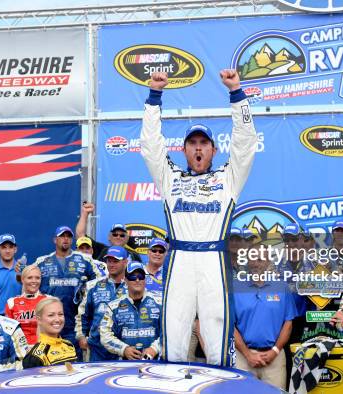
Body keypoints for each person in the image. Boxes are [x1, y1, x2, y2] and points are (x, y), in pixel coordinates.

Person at [140, 70, 257, 366]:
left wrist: (236, 94)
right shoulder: (170, 177)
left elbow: (245, 145)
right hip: (179, 257)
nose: (198, 148)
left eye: (204, 143)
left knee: (218, 330)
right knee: (175, 331)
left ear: (214, 150)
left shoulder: (228, 178)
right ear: (184, 150)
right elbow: (151, 147)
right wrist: (154, 97)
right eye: (192, 143)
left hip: (213, 259)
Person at [31, 225, 104, 358]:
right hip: (49, 322)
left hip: (75, 324)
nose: (65, 239)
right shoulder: (42, 261)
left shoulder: (85, 259)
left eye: (69, 236)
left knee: (74, 363)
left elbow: (100, 282)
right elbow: (28, 280)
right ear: (55, 240)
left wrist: (85, 289)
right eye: (62, 236)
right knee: (47, 362)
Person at [233, 247, 296, 388]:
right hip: (243, 358)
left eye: (260, 259)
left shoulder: (281, 286)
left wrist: (274, 351)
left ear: (268, 262)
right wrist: (248, 354)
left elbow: (288, 323)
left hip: (274, 358)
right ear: (247, 261)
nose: (256, 263)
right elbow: (231, 326)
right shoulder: (236, 287)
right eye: (253, 259)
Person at [100, 261, 162, 360]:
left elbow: (169, 332)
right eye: (133, 277)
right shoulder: (114, 306)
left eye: (141, 276)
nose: (137, 280)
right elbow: (105, 335)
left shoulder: (159, 302)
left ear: (145, 279)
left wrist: (154, 349)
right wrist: (124, 349)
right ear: (125, 280)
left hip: (154, 362)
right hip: (125, 364)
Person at [75, 246, 128, 361]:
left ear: (125, 262)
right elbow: (82, 314)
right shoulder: (92, 286)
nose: (111, 264)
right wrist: (81, 337)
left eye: (116, 261)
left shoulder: (133, 286)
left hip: (124, 348)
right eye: (109, 261)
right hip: (97, 348)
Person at [22, 297, 77, 368]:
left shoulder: (69, 345)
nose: (57, 319)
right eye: (51, 315)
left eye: (60, 314)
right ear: (39, 320)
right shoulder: (36, 356)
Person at [75, 206, 142, 262]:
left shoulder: (133, 255)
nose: (118, 237)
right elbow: (80, 236)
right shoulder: (101, 250)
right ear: (109, 237)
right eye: (115, 234)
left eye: (122, 235)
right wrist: (85, 214)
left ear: (127, 239)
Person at [5, 265, 47, 345]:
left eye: (37, 278)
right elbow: (8, 333)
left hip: (43, 348)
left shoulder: (48, 301)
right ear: (22, 279)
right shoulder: (12, 303)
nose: (34, 281)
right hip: (19, 350)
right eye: (30, 278)